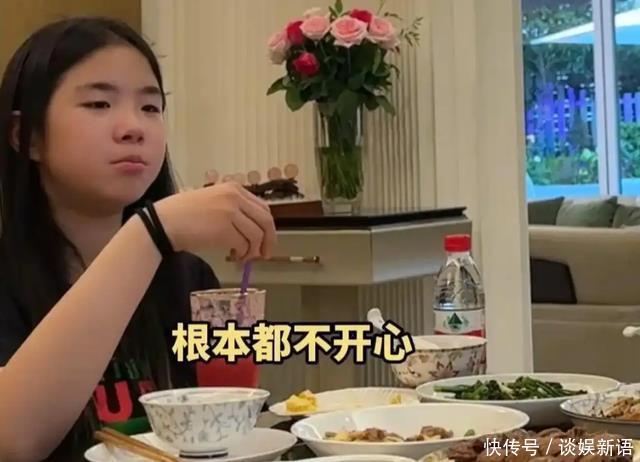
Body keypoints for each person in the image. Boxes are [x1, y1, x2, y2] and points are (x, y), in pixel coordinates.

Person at [0, 16, 276, 462]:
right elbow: (11, 440)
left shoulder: (189, 279)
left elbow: (228, 431)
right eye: (98, 104)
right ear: (26, 136)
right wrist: (149, 233)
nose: (134, 127)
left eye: (150, 107)